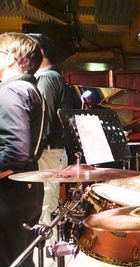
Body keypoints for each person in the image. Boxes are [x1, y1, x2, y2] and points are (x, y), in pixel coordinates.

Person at [0, 32, 47, 267]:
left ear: (9, 59)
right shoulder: (31, 89)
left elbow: (17, 152)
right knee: (23, 260)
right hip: (28, 188)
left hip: (9, 193)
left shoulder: (10, 91)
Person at [28, 33, 74, 267]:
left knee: (45, 213)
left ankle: (48, 262)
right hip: (49, 153)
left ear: (41, 52)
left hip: (46, 153)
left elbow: (42, 124)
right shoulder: (51, 76)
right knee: (46, 210)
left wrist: (28, 155)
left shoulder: (47, 78)